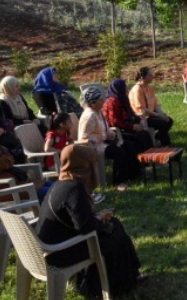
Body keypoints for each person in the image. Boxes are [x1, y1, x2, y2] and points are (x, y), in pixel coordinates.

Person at [37, 144, 145, 298]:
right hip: (61, 253)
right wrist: (100, 223)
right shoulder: (74, 188)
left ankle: (127, 278)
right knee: (116, 235)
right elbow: (86, 229)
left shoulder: (60, 183)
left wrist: (98, 218)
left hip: (53, 247)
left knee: (115, 225)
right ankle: (117, 284)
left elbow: (75, 219)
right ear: (82, 165)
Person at [78, 87, 141, 192]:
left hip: (103, 143)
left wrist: (111, 134)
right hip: (94, 147)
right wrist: (104, 136)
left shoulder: (98, 112)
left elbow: (105, 129)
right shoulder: (89, 116)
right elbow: (84, 138)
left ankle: (133, 175)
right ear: (93, 102)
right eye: (100, 100)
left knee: (128, 145)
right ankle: (118, 182)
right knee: (118, 152)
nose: (103, 101)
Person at [102, 79, 154, 153]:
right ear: (119, 88)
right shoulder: (112, 102)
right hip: (118, 132)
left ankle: (150, 158)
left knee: (145, 133)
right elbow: (114, 122)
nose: (127, 88)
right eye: (124, 86)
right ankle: (143, 160)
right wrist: (132, 127)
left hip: (126, 127)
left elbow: (131, 114)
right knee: (142, 136)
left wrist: (139, 121)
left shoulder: (122, 99)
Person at [129, 67, 174, 146]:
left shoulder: (149, 87)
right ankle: (166, 145)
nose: (152, 76)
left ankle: (158, 137)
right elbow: (142, 109)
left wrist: (162, 114)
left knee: (169, 120)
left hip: (150, 115)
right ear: (143, 77)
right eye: (150, 75)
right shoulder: (137, 89)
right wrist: (159, 116)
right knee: (162, 123)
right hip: (142, 118)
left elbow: (155, 104)